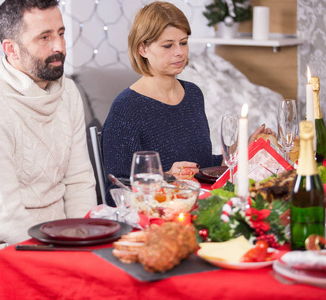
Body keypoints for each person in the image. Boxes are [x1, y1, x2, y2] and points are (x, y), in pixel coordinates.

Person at [0, 0, 97, 259]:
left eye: (61, 33)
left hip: (64, 244)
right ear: (11, 49)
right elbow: (5, 216)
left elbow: (79, 181)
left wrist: (80, 244)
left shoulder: (69, 92)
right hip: (1, 251)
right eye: (45, 37)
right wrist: (61, 256)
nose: (59, 47)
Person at [101, 1, 273, 206]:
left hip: (201, 207)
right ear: (143, 48)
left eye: (183, 43)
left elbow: (203, 166)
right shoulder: (125, 108)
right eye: (168, 45)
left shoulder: (193, 94)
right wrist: (164, 178)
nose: (179, 52)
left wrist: (242, 151)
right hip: (159, 223)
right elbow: (115, 192)